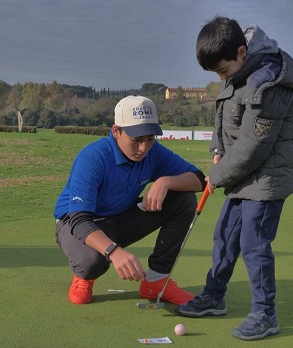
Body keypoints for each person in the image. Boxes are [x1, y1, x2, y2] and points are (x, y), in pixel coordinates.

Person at [174, 16, 293, 341]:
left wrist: (216, 174)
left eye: (222, 71)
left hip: (266, 177)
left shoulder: (269, 82)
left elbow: (253, 146)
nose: (221, 78)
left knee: (254, 244)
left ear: (242, 51)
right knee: (225, 236)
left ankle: (265, 314)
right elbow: (223, 115)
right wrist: (217, 147)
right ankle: (214, 297)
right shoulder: (235, 70)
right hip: (240, 175)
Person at [54, 95, 206, 305]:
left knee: (184, 199)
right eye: (136, 140)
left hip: (121, 217)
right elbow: (80, 221)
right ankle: (84, 276)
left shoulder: (154, 153)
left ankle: (156, 282)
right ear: (116, 131)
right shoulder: (92, 158)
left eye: (150, 139)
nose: (144, 148)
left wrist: (165, 181)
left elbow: (199, 180)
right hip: (75, 223)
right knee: (90, 263)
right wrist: (113, 252)